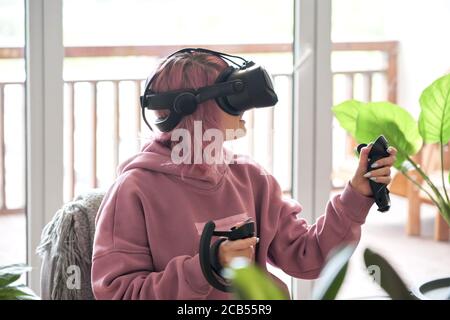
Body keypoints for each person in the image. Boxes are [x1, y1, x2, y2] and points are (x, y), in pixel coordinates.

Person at [91, 49, 397, 300]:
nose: (244, 111)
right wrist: (205, 267)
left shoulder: (250, 178)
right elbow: (118, 294)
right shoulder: (135, 190)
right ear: (194, 108)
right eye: (232, 100)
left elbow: (309, 256)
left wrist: (357, 194)